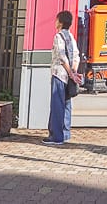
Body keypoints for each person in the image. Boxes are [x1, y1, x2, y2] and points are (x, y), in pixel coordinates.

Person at [43, 11, 82, 146]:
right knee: (66, 104)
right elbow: (76, 56)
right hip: (69, 77)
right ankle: (65, 134)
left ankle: (56, 136)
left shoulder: (58, 36)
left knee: (57, 105)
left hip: (59, 74)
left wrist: (70, 73)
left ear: (60, 22)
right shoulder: (71, 37)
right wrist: (74, 72)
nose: (55, 22)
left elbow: (61, 56)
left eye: (56, 20)